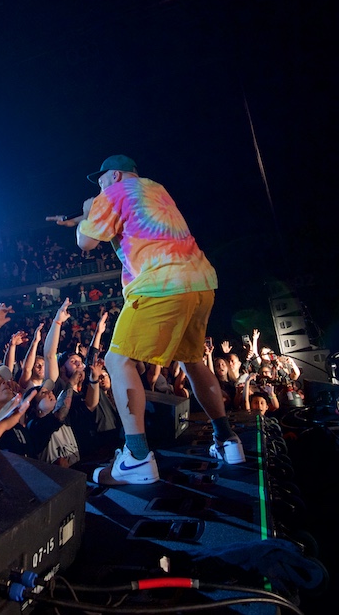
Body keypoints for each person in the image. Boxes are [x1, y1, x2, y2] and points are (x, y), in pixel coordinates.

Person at [51, 154, 246, 484]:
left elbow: (86, 243)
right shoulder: (155, 189)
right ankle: (228, 441)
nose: (99, 185)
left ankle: (137, 457)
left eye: (100, 179)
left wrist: (88, 211)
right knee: (193, 361)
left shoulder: (111, 192)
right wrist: (87, 215)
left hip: (159, 285)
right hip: (199, 282)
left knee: (116, 361)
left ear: (114, 175)